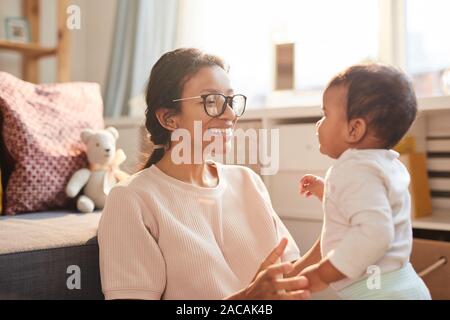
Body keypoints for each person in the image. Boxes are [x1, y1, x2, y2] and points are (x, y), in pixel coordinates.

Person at [98, 48, 310, 300]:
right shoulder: (131, 199)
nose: (230, 115)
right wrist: (247, 300)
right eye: (211, 102)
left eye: (230, 101)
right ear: (168, 118)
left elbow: (291, 276)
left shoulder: (247, 181)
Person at [292, 64, 431, 299]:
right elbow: (363, 205)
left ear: (354, 129)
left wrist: (322, 273)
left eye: (325, 114)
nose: (319, 124)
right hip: (400, 284)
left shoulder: (352, 169)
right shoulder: (386, 164)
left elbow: (375, 232)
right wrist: (324, 192)